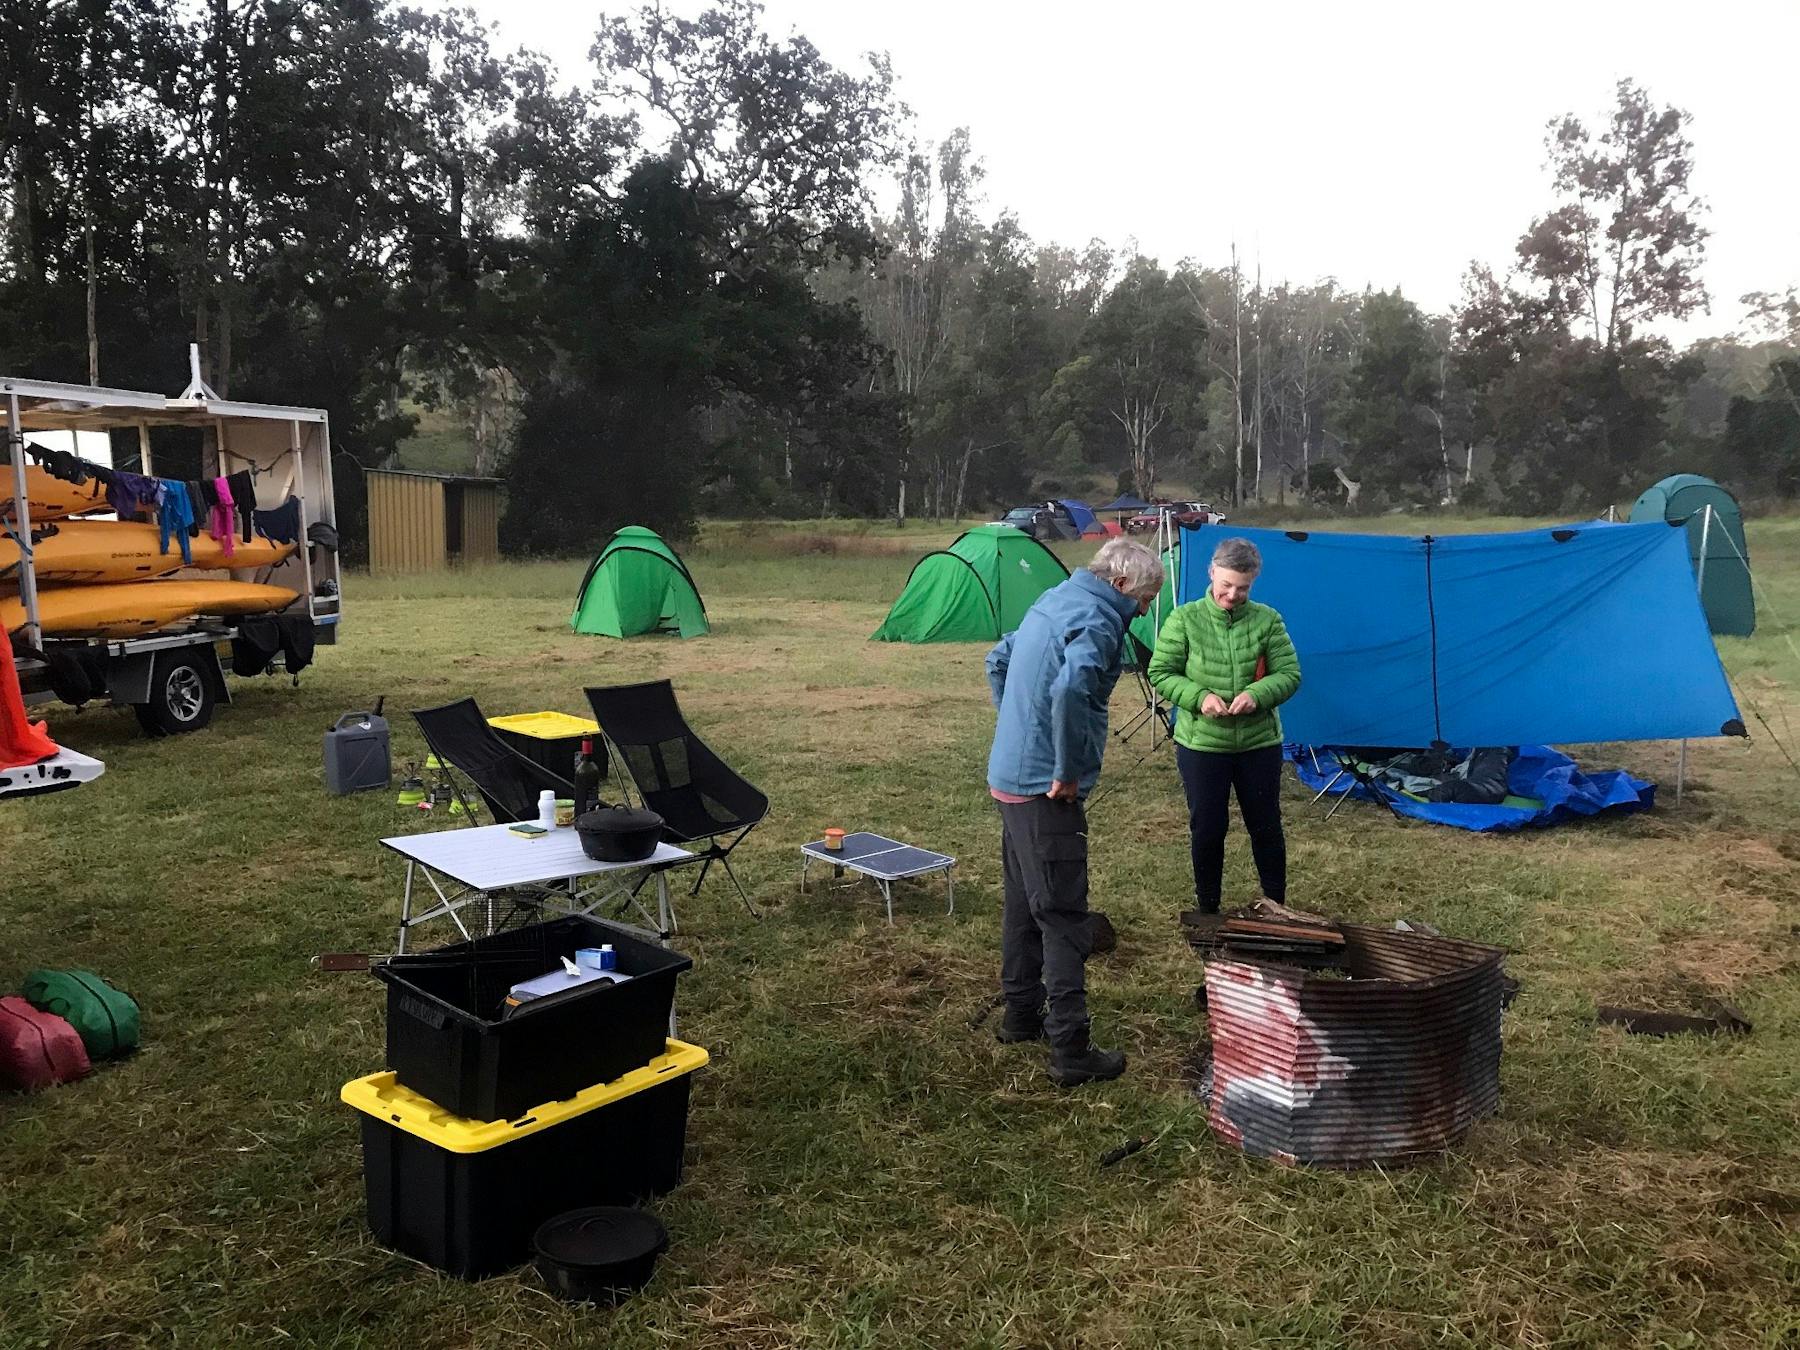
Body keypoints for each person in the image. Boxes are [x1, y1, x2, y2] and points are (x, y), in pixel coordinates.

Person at [985, 536, 1165, 1087]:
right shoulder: (1098, 619)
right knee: (1062, 915)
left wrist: (1017, 732)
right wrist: (1062, 766)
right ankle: (1071, 1049)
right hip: (1046, 792)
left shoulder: (1054, 598)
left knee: (1025, 904)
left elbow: (997, 659)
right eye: (1145, 599)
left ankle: (1020, 1016)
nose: (1145, 609)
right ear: (1120, 585)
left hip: (1009, 780)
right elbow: (1068, 691)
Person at [1147, 536, 1301, 915]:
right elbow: (1161, 673)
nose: (1232, 594)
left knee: (1265, 826)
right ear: (1212, 572)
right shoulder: (1184, 619)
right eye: (1226, 584)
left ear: (1254, 582)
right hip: (1201, 746)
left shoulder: (1268, 620)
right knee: (1209, 829)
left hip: (1258, 744)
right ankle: (1209, 907)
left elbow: (1289, 674)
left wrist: (1258, 694)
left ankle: (1276, 905)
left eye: (1242, 588)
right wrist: (1199, 698)